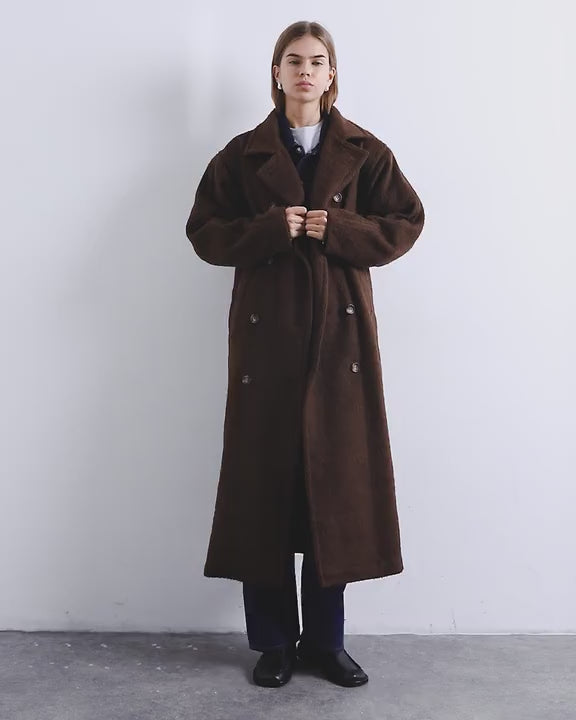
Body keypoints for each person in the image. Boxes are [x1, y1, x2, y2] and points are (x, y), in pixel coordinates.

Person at [185, 21, 425, 688]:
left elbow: (406, 222)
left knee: (333, 492)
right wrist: (271, 228)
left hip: (341, 345)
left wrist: (338, 227)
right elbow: (204, 233)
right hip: (265, 346)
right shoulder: (241, 156)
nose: (305, 71)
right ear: (277, 72)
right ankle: (273, 644)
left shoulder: (364, 152)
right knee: (265, 490)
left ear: (331, 73)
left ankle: (326, 642)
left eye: (317, 61)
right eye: (293, 61)